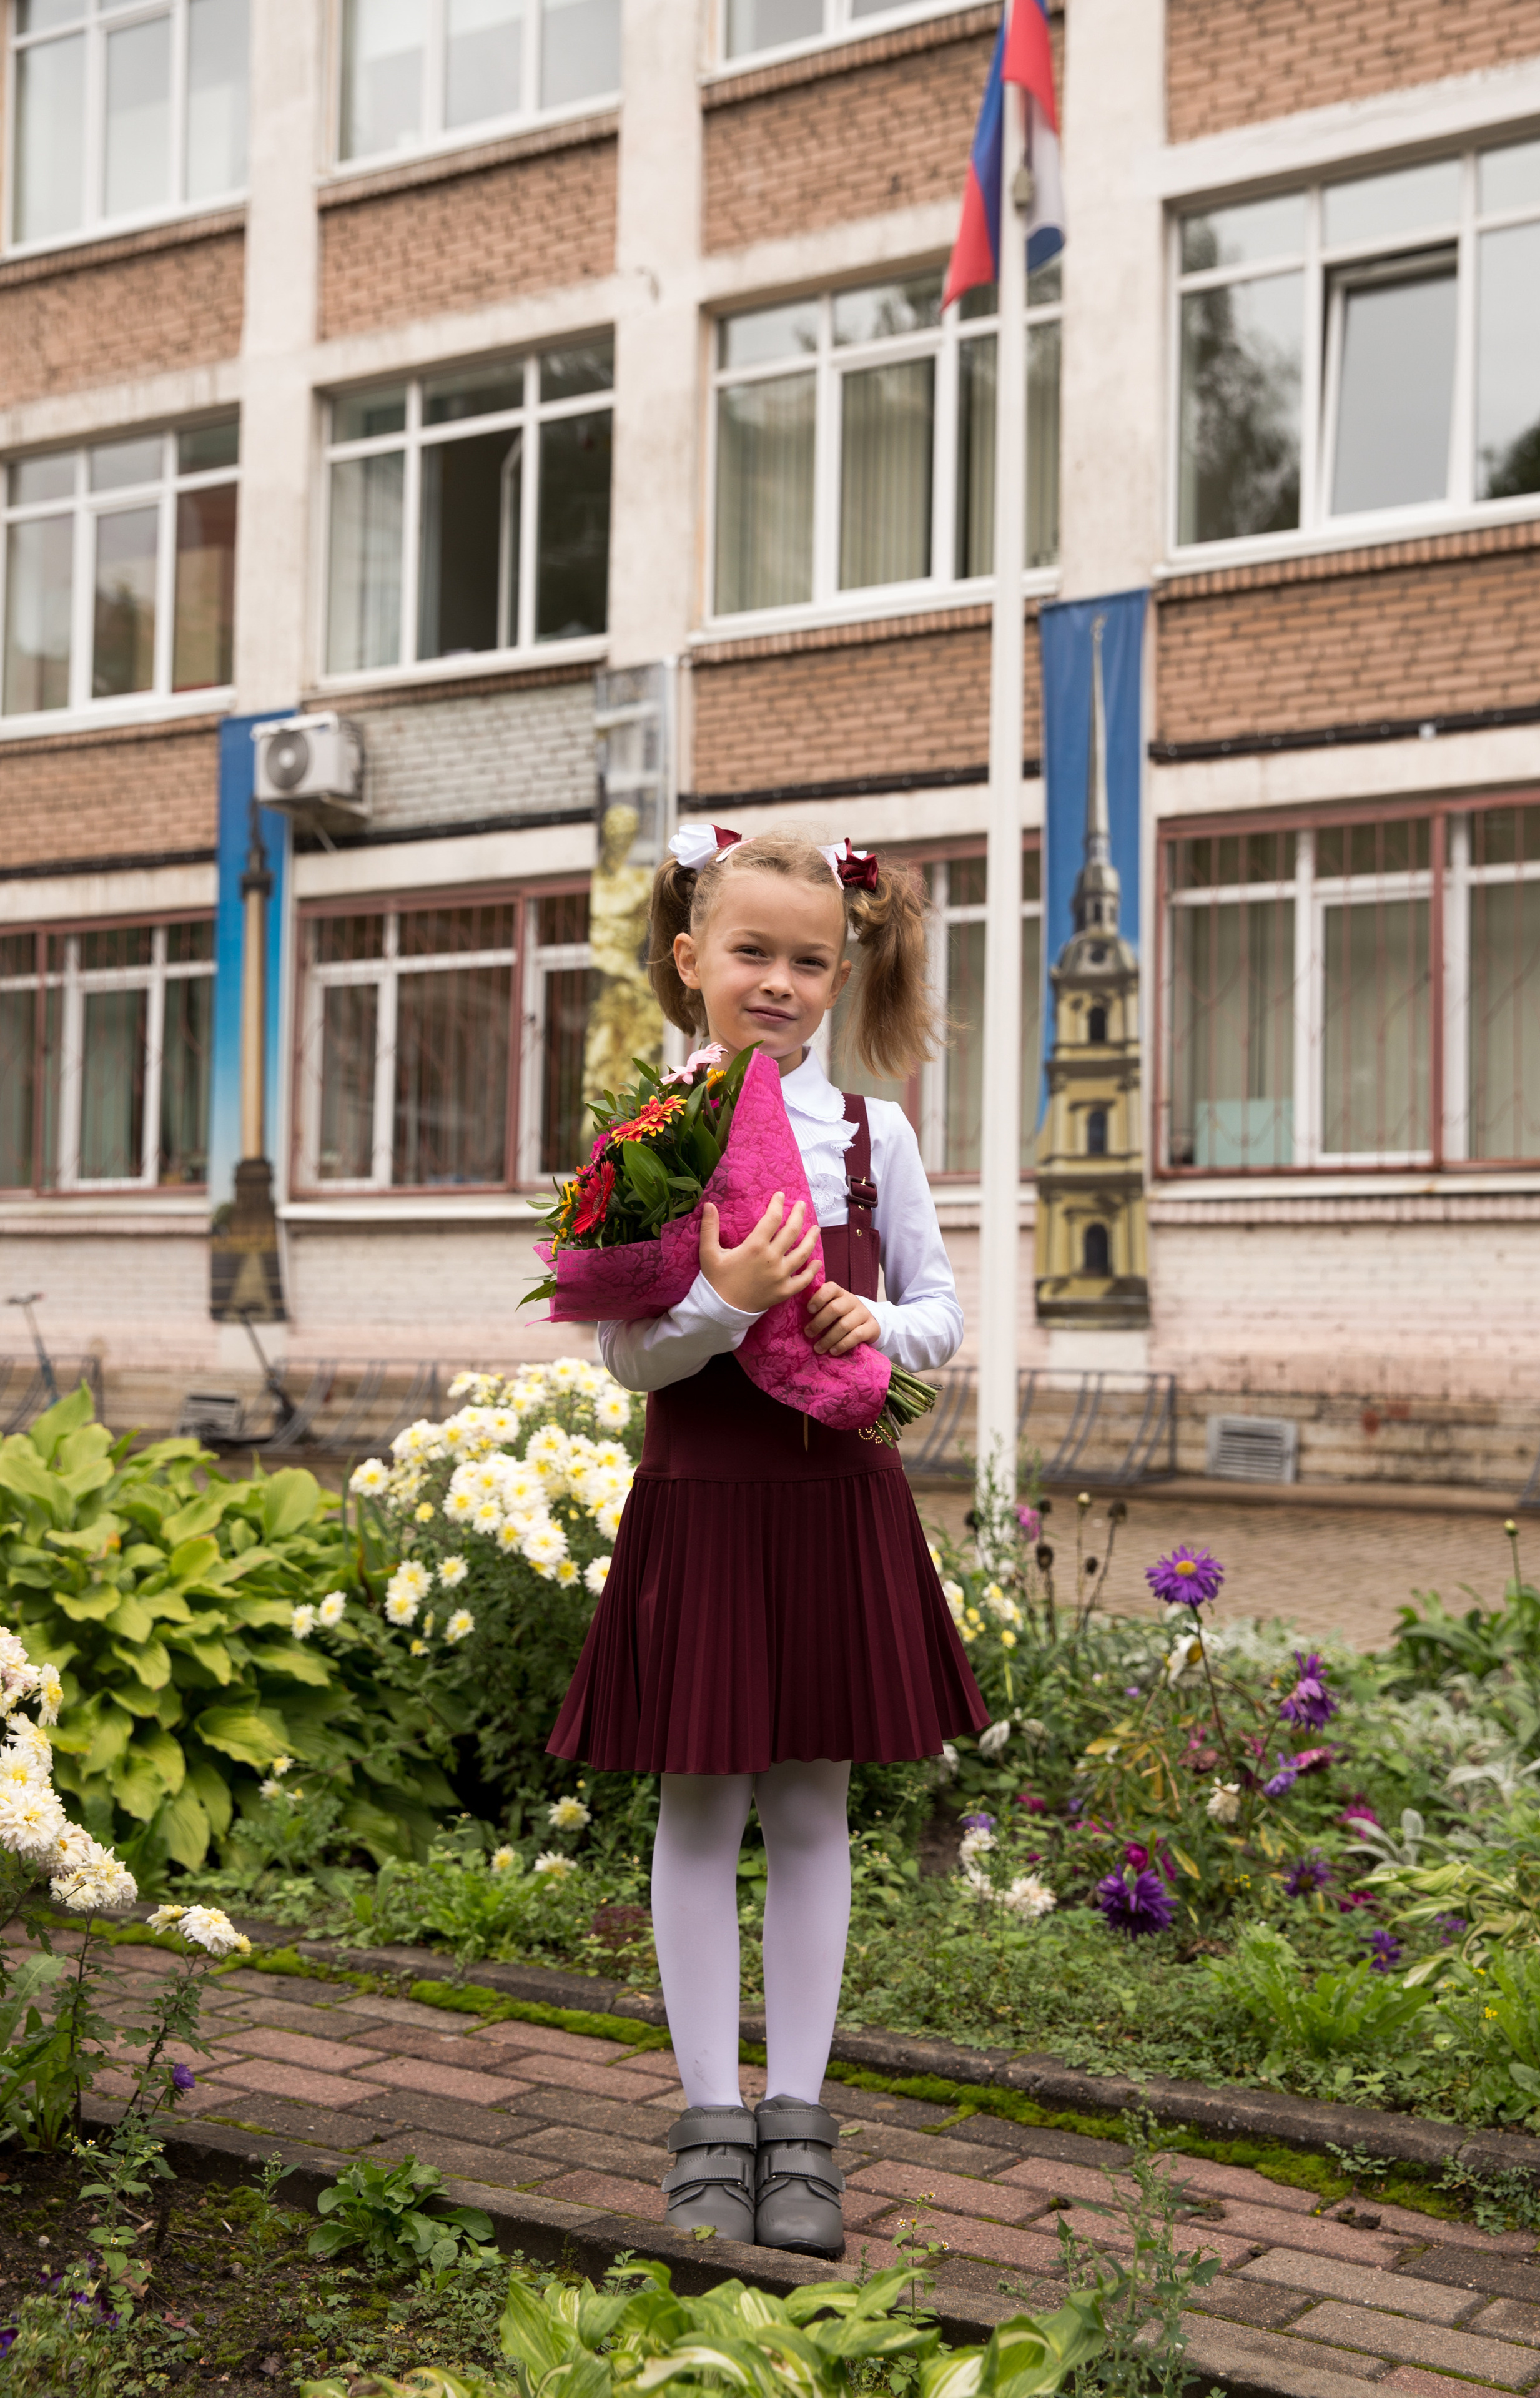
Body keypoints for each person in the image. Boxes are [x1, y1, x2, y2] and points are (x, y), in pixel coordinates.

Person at [548, 823, 987, 2258]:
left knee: (810, 1809)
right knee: (699, 1809)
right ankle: (706, 2119)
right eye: (751, 953)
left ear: (840, 967)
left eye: (809, 959)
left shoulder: (875, 1133)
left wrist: (881, 1324)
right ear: (690, 960)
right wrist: (727, 1297)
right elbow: (627, 1363)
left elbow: (940, 1311)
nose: (781, 982)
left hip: (832, 1497)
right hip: (709, 1498)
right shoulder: (642, 1141)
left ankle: (798, 2124)